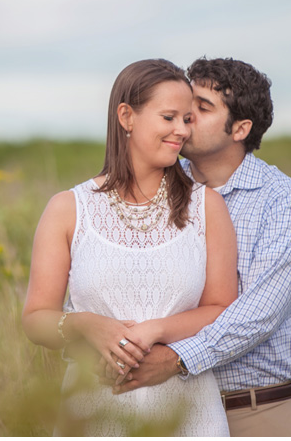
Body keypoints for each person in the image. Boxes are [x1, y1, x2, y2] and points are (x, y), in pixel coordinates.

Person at [22, 58, 238, 436]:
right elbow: (36, 318)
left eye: (187, 119)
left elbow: (221, 308)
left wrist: (153, 331)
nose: (181, 131)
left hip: (189, 415)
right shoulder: (68, 208)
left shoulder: (208, 207)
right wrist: (87, 325)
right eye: (169, 117)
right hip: (93, 413)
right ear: (127, 116)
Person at [107, 58, 291, 437]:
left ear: (240, 128)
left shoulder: (281, 199)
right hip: (167, 408)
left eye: (201, 109)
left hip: (256, 410)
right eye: (184, 108)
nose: (186, 119)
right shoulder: (158, 185)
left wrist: (175, 360)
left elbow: (260, 312)